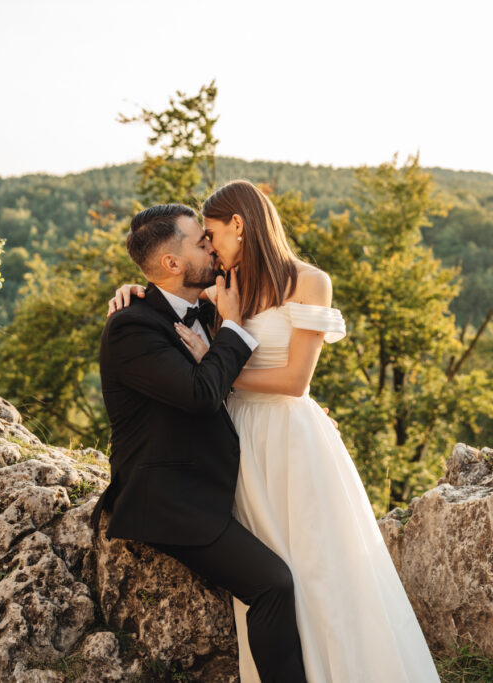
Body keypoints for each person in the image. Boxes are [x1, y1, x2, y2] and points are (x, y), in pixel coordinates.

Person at [108, 180, 440, 682]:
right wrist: (134, 290)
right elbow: (173, 309)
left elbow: (292, 380)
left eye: (211, 235)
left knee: (321, 563)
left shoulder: (275, 287)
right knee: (277, 573)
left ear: (238, 226)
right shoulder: (191, 300)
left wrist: (222, 364)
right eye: (202, 240)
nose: (210, 247)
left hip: (286, 439)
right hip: (231, 452)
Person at [91, 202, 309, 682]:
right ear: (173, 263)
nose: (211, 246)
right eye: (200, 241)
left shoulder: (203, 305)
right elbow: (201, 393)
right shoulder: (131, 327)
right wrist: (232, 328)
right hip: (172, 501)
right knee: (272, 584)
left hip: (217, 479)